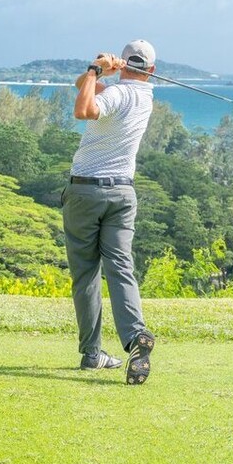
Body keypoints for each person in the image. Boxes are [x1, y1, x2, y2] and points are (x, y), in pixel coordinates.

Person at [63, 39, 157, 385]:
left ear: (126, 64)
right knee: (120, 267)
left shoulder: (117, 95)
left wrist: (95, 68)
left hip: (86, 191)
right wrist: (99, 74)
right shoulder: (145, 97)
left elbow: (83, 110)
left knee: (86, 274)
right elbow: (85, 89)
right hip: (123, 194)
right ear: (152, 70)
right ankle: (135, 336)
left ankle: (92, 354)